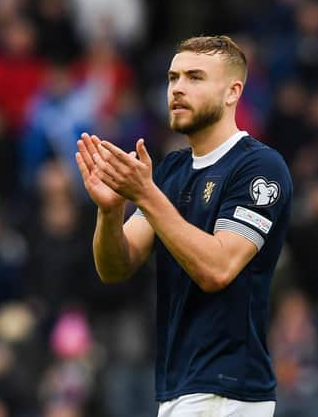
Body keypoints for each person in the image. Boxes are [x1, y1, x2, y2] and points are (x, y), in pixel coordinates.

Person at [75, 35, 292, 417]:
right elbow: (115, 267)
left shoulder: (258, 167)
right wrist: (110, 212)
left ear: (232, 93)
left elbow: (217, 269)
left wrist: (145, 194)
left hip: (228, 391)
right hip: (179, 385)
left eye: (195, 77)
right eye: (173, 77)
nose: (177, 88)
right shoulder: (172, 171)